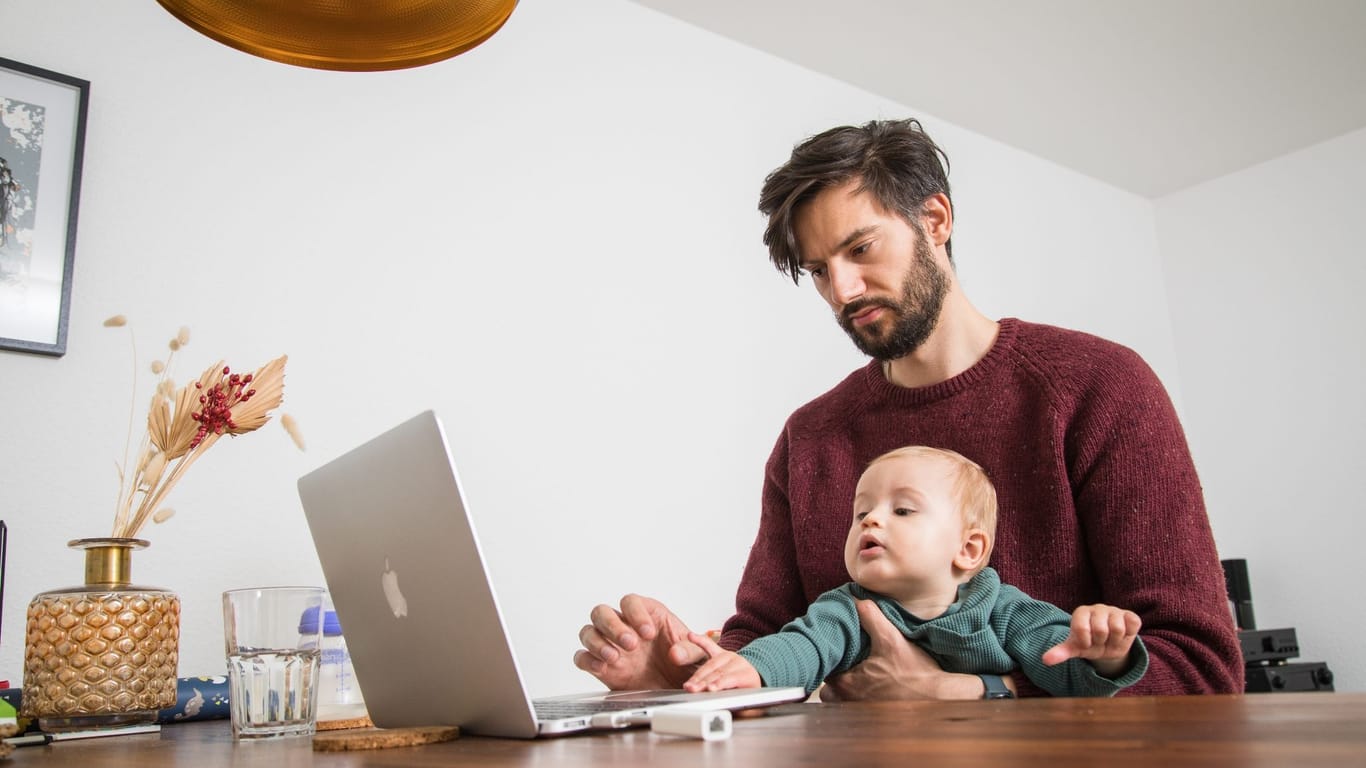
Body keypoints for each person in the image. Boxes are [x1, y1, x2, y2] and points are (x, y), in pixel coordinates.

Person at [574, 118, 1243, 698]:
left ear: (936, 220)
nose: (843, 289)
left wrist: (976, 695)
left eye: (860, 249)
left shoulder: (1099, 387)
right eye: (818, 269)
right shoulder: (810, 438)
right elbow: (769, 638)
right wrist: (695, 678)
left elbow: (1202, 670)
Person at [682, 446, 1147, 698]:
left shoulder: (1004, 608)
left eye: (902, 510)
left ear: (968, 549)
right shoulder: (849, 609)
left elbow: (1064, 670)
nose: (871, 520)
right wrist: (754, 668)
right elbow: (805, 647)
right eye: (860, 512)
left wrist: (1105, 653)